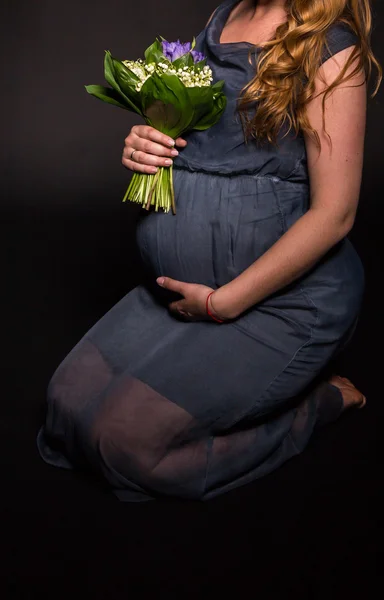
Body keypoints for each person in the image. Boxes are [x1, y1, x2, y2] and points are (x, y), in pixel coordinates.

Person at [37, 0, 381, 502]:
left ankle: (314, 408)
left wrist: (224, 305)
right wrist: (145, 142)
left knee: (124, 442)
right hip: (179, 292)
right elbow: (199, 140)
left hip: (277, 303)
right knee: (64, 410)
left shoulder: (330, 47)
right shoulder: (225, 18)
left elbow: (335, 216)